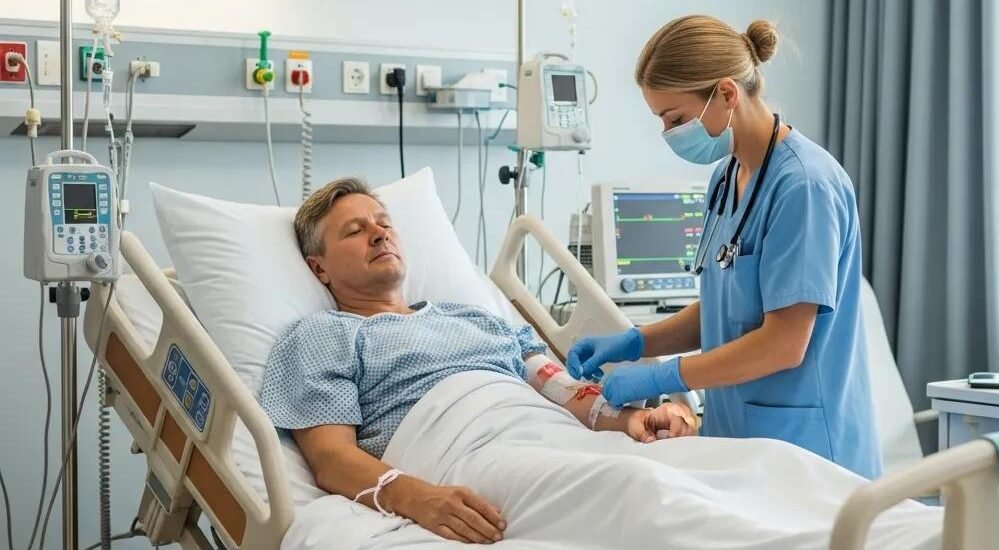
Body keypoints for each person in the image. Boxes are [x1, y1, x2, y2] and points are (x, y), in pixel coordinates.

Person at [258, 178, 697, 545]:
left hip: (546, 430)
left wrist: (630, 420)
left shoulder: (473, 317)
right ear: (319, 270)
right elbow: (332, 458)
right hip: (460, 450)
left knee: (694, 471)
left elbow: (558, 387)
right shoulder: (321, 335)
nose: (379, 234)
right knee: (639, 490)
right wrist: (414, 496)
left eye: (384, 223)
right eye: (355, 230)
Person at [566, 15, 881, 480]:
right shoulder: (726, 177)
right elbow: (724, 307)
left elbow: (783, 345)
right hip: (742, 444)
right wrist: (636, 341)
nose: (668, 133)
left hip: (810, 454)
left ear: (728, 95)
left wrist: (662, 375)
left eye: (676, 118)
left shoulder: (805, 187)